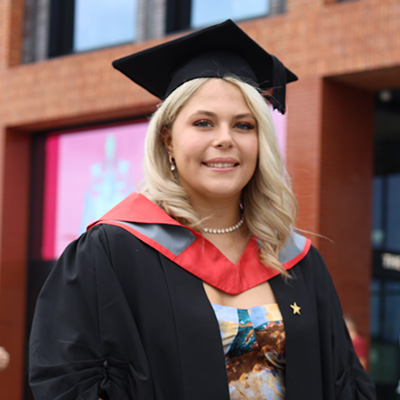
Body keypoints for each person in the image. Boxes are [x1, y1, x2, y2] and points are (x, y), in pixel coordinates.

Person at [29, 20, 376, 399]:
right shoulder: (112, 253)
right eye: (203, 123)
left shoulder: (296, 261)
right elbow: (67, 382)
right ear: (169, 140)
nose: (225, 139)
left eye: (244, 125)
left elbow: (346, 385)